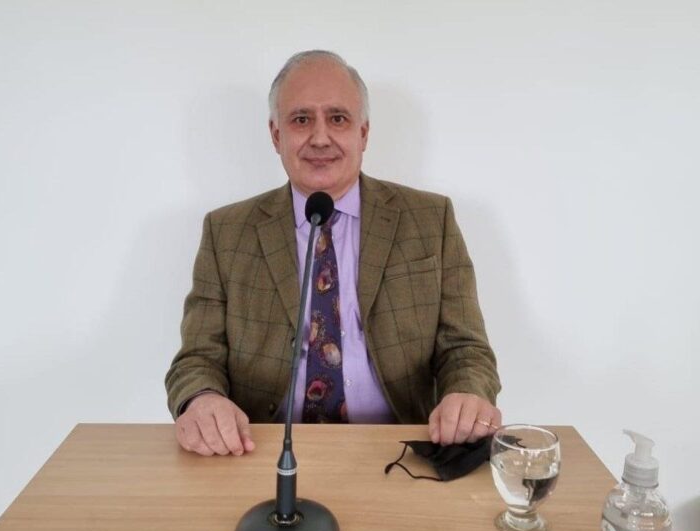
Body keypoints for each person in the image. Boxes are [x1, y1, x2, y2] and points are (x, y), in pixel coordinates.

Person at [165, 50, 502, 457]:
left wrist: (467, 393)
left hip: (401, 453)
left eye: (338, 118)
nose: (320, 137)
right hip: (259, 451)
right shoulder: (226, 232)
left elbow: (466, 350)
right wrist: (201, 399)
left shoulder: (431, 220)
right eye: (301, 119)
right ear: (276, 135)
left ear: (363, 133)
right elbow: (197, 359)